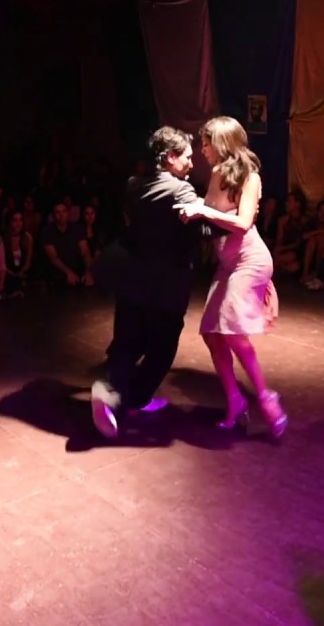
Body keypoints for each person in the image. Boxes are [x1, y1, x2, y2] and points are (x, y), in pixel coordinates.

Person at [176, 116, 287, 439]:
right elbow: (212, 213)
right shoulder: (215, 174)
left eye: (206, 142)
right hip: (228, 263)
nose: (202, 149)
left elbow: (240, 222)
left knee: (234, 333)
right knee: (212, 333)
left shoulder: (249, 177)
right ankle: (236, 402)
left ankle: (267, 398)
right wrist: (193, 205)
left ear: (222, 143)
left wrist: (203, 211)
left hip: (249, 260)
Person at [89, 127, 203, 439]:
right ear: (170, 157)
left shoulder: (133, 185)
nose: (192, 163)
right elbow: (198, 230)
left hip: (131, 278)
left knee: (127, 341)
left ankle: (111, 394)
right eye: (188, 157)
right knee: (164, 345)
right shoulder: (181, 191)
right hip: (166, 284)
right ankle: (132, 397)